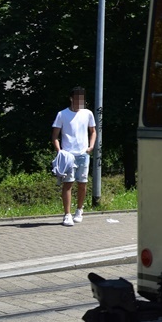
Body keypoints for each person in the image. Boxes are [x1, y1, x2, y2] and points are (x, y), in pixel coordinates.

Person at [52, 86, 96, 226]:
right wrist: (60, 151)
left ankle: (79, 210)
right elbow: (55, 136)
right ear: (71, 99)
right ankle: (67, 214)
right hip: (68, 155)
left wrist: (91, 146)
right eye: (77, 99)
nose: (79, 102)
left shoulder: (88, 113)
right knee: (68, 184)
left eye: (82, 99)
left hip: (83, 154)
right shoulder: (62, 114)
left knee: (82, 184)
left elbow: (93, 131)